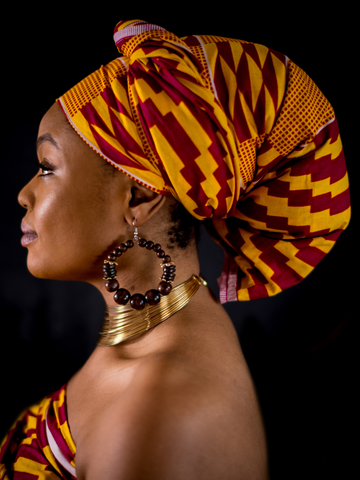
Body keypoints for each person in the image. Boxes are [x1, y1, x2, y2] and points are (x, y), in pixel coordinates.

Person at [0, 19, 350, 480]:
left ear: (140, 198)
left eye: (47, 168)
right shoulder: (157, 342)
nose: (23, 194)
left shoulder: (161, 408)